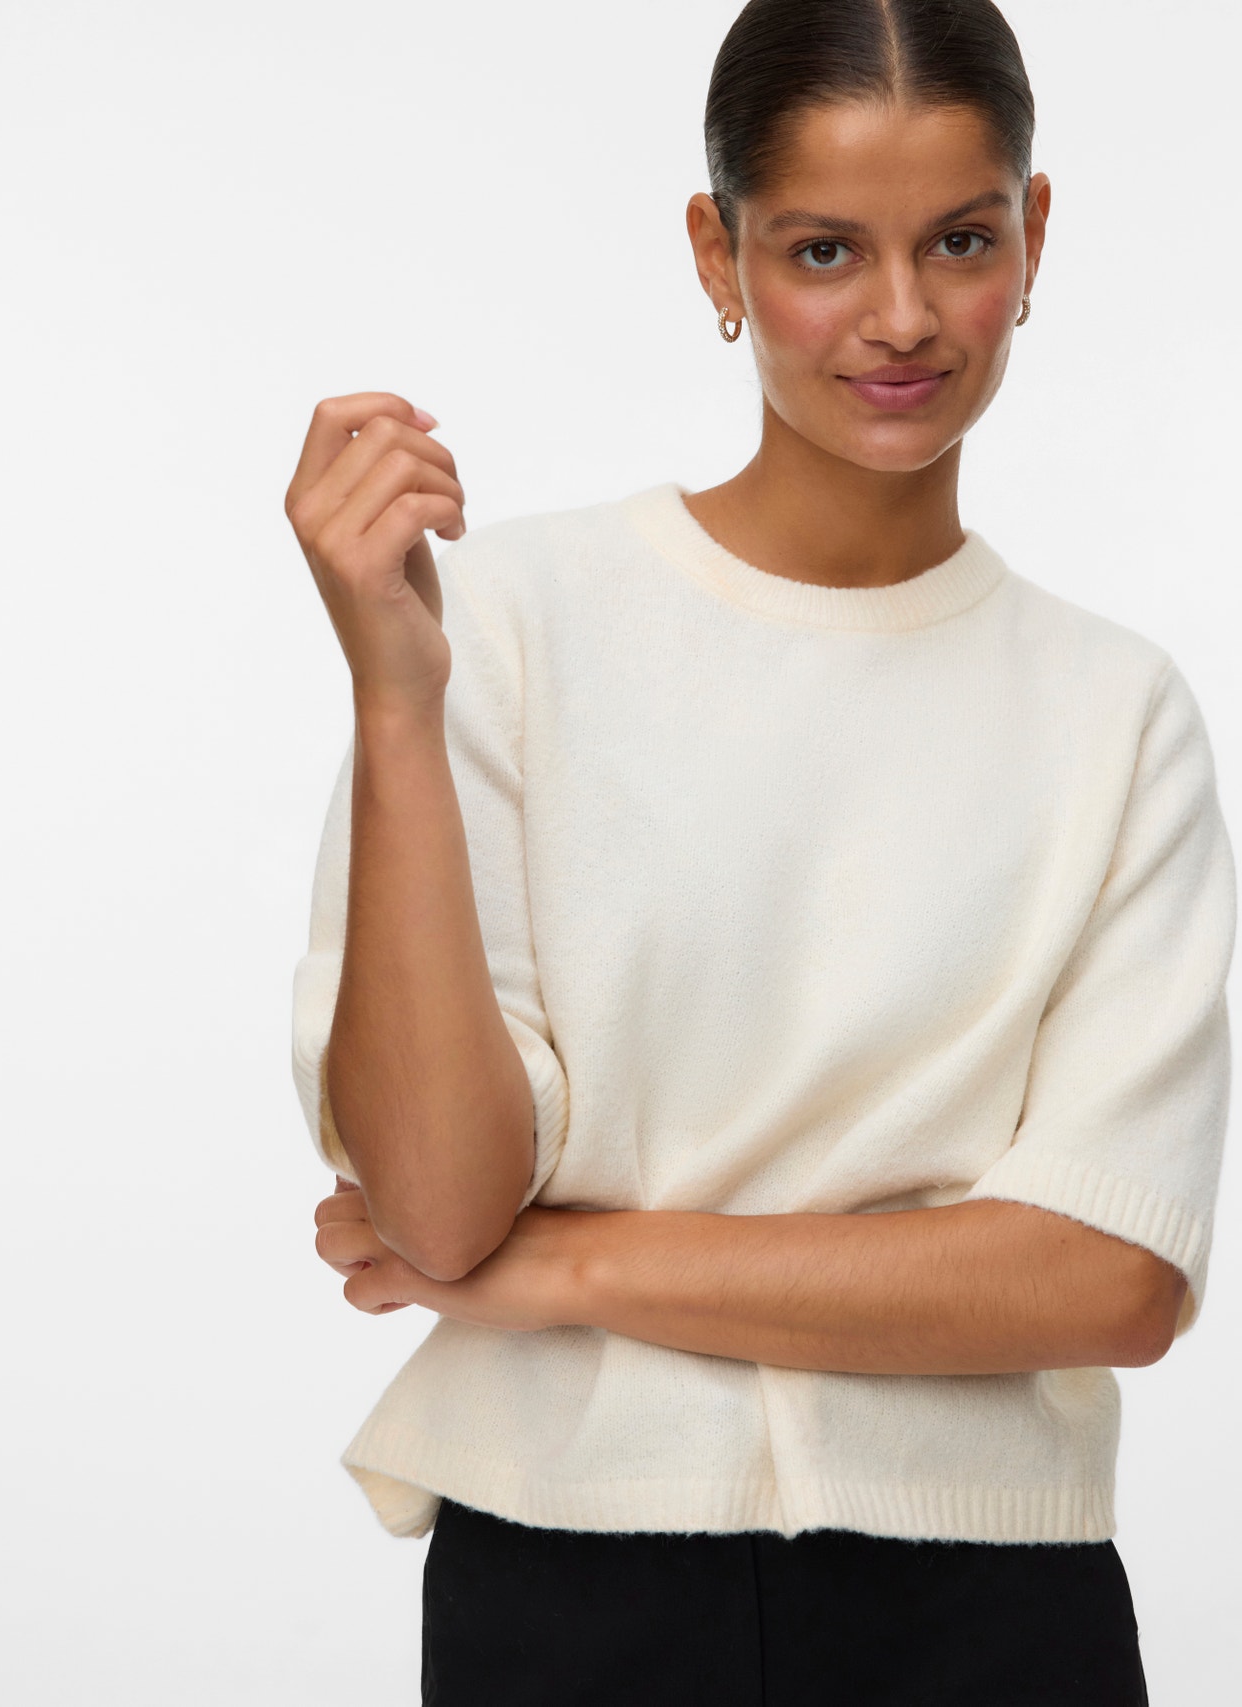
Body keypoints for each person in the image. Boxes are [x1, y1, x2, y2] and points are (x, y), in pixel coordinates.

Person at [284, 2, 1235, 1701]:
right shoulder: (501, 631)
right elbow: (435, 1212)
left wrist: (573, 1266)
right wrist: (396, 710)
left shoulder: (1118, 714)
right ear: (717, 254)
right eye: (822, 249)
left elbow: (1105, 1276)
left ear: (1034, 237)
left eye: (961, 240)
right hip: (562, 1594)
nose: (902, 316)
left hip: (992, 1613)